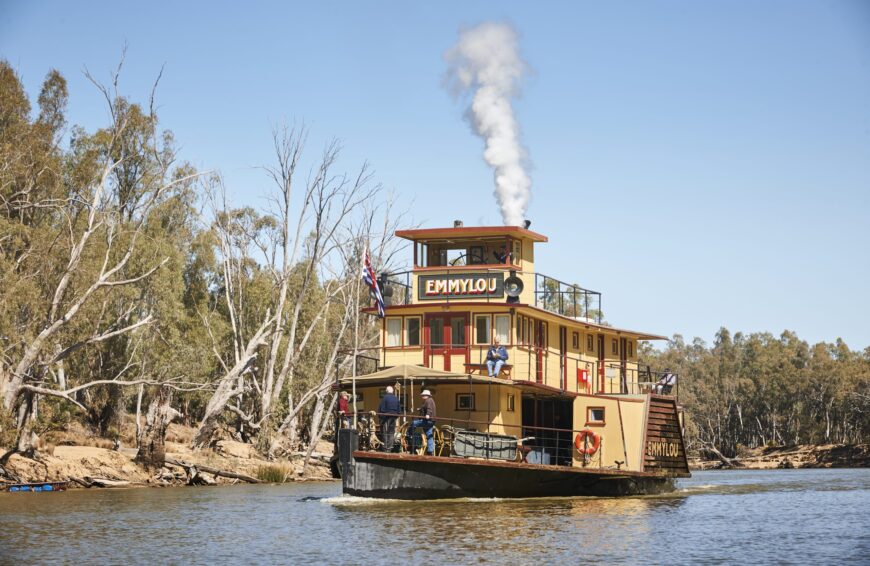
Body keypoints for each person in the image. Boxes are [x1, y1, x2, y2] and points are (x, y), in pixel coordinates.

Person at [408, 390, 436, 456]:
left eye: (423, 395)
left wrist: (428, 415)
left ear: (426, 395)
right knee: (429, 435)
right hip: (431, 421)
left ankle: (409, 435)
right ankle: (430, 451)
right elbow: (426, 408)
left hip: (428, 420)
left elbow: (429, 409)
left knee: (414, 423)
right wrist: (420, 409)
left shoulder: (428, 400)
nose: (422, 396)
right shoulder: (429, 401)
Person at [377, 386, 400, 452]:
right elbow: (399, 411)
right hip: (394, 417)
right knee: (391, 432)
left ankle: (385, 448)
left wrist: (380, 418)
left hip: (386, 417)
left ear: (386, 391)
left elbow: (382, 409)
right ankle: (390, 448)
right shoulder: (396, 398)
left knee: (385, 432)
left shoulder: (385, 398)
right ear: (392, 391)